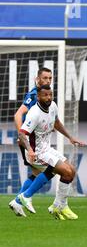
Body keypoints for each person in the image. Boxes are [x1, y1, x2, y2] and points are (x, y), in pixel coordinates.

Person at [8, 85, 84, 220]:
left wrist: (70, 137)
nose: (48, 97)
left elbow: (57, 122)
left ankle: (57, 205)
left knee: (71, 171)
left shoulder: (53, 106)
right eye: (45, 95)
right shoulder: (34, 113)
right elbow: (21, 134)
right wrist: (30, 151)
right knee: (63, 171)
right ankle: (27, 196)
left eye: (50, 94)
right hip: (35, 152)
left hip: (46, 149)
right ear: (38, 97)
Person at [13, 67, 52, 208]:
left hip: (34, 140)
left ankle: (18, 202)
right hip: (29, 141)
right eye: (45, 78)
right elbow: (17, 115)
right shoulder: (34, 95)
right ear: (38, 79)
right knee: (50, 168)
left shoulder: (42, 95)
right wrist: (21, 134)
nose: (48, 80)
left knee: (37, 172)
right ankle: (20, 200)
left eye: (50, 78)